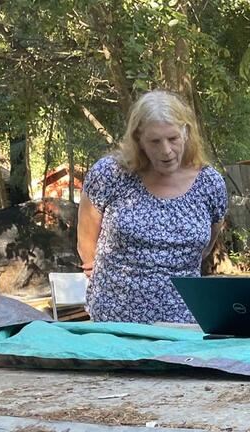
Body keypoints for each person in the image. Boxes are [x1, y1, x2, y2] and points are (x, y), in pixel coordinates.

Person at [77, 90, 227, 323]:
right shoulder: (110, 173)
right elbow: (86, 236)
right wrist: (94, 269)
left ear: (186, 133)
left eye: (173, 139)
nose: (166, 150)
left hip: (183, 319)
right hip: (115, 317)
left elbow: (207, 242)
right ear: (139, 140)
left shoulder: (210, 183)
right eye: (155, 141)